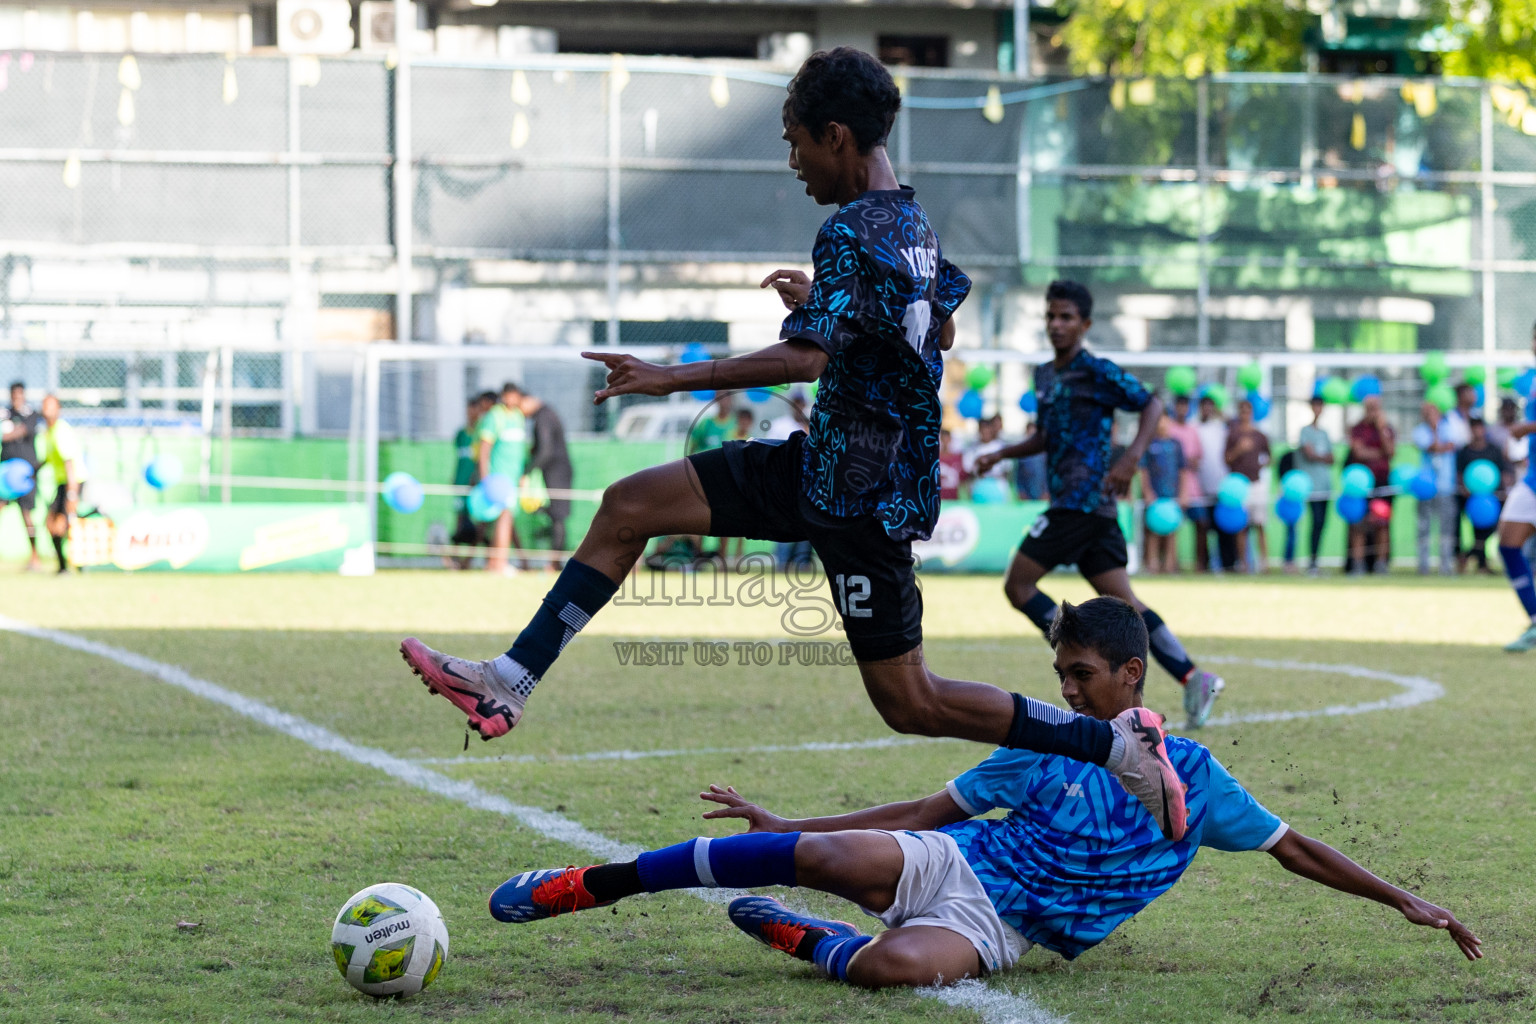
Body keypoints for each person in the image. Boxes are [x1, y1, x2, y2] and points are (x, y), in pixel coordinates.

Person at [398, 48, 1189, 835]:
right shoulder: (912, 219)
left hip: (864, 494)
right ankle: (510, 677)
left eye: (794, 139)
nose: (793, 160)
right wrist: (840, 305)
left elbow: (805, 360)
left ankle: (1114, 747)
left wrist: (670, 376)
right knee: (628, 505)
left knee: (911, 702)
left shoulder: (846, 230)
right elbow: (938, 323)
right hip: (827, 464)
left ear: (836, 135)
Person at [485, 598, 1481, 990]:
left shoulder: (1200, 787)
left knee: (892, 973)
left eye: (1084, 676)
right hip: (957, 863)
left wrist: (1403, 896)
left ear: (1134, 679)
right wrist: (788, 820)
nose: (1066, 692)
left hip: (1000, 928)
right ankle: (596, 883)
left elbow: (1294, 846)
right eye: (1063, 673)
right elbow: (925, 816)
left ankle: (804, 937)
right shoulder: (1040, 748)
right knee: (826, 857)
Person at [975, 280, 1225, 729]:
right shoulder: (1045, 375)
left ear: (1085, 324)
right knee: (1125, 604)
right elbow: (1047, 437)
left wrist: (1130, 458)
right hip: (1088, 508)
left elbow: (1151, 404)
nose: (1057, 324)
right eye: (1051, 316)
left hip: (1081, 504)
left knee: (1019, 586)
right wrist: (1002, 453)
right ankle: (1192, 676)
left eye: (1066, 317)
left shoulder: (1096, 370)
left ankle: (1080, 649)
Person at [1497, 324, 1536, 651]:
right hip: (1533, 478)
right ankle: (1535, 620)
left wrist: (1527, 427)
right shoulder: (1533, 380)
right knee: (1508, 543)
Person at [478, 382, 528, 575]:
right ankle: (499, 563)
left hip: (514, 477)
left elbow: (521, 450)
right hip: (498, 478)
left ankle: (494, 562)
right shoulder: (495, 416)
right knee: (503, 518)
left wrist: (523, 474)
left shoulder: (518, 417)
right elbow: (484, 448)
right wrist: (485, 478)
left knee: (505, 519)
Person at [521, 389, 574, 565]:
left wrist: (527, 472)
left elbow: (546, 450)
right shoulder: (546, 415)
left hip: (557, 472)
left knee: (558, 516)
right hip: (555, 471)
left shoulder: (544, 417)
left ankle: (555, 562)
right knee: (554, 515)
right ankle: (555, 561)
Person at [36, 394, 86, 575]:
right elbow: (48, 459)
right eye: (44, 405)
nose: (46, 409)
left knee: (64, 523)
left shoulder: (61, 431)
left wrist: (72, 494)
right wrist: (33, 471)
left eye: (50, 405)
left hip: (73, 482)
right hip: (62, 483)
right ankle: (63, 567)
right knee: (51, 523)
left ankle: (80, 563)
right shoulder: (48, 433)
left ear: (58, 409)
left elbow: (69, 462)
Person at [1346, 395, 1395, 574]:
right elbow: (1358, 453)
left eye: (1377, 407)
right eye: (1370, 407)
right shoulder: (1357, 429)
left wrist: (1381, 430)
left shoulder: (1387, 428)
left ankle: (1381, 564)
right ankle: (1358, 565)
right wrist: (1379, 453)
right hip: (1360, 483)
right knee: (1359, 523)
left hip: (1382, 481)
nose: (1374, 411)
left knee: (1382, 522)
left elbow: (1390, 452)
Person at [1285, 395, 1333, 576]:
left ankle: (1314, 562)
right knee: (1294, 523)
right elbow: (1310, 454)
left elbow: (1331, 458)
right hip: (1306, 488)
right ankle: (1289, 561)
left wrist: (1319, 456)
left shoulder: (1325, 433)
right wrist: (1322, 457)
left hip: (1324, 487)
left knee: (1319, 523)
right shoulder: (1304, 431)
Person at [1456, 417, 1510, 575]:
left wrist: (1502, 490)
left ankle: (1468, 554)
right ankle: (1481, 565)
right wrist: (1465, 488)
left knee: (1493, 529)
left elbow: (1502, 472)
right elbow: (1460, 474)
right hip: (1473, 499)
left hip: (1493, 498)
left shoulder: (1493, 450)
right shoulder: (1465, 451)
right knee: (1477, 531)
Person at [0, 380, 44, 571]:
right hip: (5, 476)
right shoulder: (5, 413)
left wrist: (12, 432)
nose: (17, 398)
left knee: (27, 516)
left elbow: (19, 431)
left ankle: (34, 557)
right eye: (14, 395)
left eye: (20, 395)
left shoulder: (31, 415)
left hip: (26, 476)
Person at [1224, 398, 1271, 573]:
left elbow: (1269, 457)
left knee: (1260, 524)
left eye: (1247, 410)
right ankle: (1244, 564)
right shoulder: (1233, 435)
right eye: (1242, 411)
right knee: (1241, 527)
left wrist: (1260, 464)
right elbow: (1227, 459)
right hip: (1238, 488)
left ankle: (1264, 563)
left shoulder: (1260, 436)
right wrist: (1239, 450)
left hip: (1256, 484)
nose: (1245, 414)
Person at [449, 392, 496, 569]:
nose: (471, 412)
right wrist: (455, 476)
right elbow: (459, 459)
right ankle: (456, 560)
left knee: (482, 524)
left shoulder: (483, 431)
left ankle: (476, 560)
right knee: (460, 521)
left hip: (477, 484)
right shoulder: (461, 434)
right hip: (461, 483)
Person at [1412, 400, 1459, 576]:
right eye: (1426, 413)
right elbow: (1433, 447)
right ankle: (1423, 566)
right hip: (1426, 487)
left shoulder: (1449, 427)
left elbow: (1451, 445)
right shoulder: (1419, 431)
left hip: (1446, 486)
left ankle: (1446, 566)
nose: (1429, 416)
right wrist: (1435, 432)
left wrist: (1439, 437)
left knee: (1446, 528)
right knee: (1424, 527)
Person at [1193, 394, 1235, 572]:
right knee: (1202, 528)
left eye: (1211, 406)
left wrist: (1220, 412)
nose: (1207, 409)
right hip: (1201, 487)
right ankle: (1204, 564)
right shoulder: (1194, 427)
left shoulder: (1219, 427)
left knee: (1224, 528)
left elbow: (1233, 423)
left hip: (1221, 486)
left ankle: (1228, 564)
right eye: (1205, 406)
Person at [1138, 411, 1184, 574]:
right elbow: (1143, 470)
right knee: (1153, 529)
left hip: (1172, 494)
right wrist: (1147, 491)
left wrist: (1183, 493)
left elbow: (1182, 470)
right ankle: (1153, 564)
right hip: (1155, 496)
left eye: (1165, 420)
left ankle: (1170, 565)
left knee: (1172, 530)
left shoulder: (1176, 444)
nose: (1162, 424)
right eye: (1159, 421)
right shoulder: (1149, 444)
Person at [961, 414, 1008, 498]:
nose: (985, 432)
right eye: (983, 429)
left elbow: (1006, 470)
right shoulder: (972, 449)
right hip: (978, 487)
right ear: (979, 431)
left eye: (987, 429)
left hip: (998, 487)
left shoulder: (1000, 447)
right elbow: (968, 471)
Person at [937, 428, 963, 502]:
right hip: (940, 499)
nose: (945, 442)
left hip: (953, 497)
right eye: (943, 439)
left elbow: (962, 479)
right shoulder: (936, 458)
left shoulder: (957, 458)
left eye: (947, 439)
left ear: (950, 439)